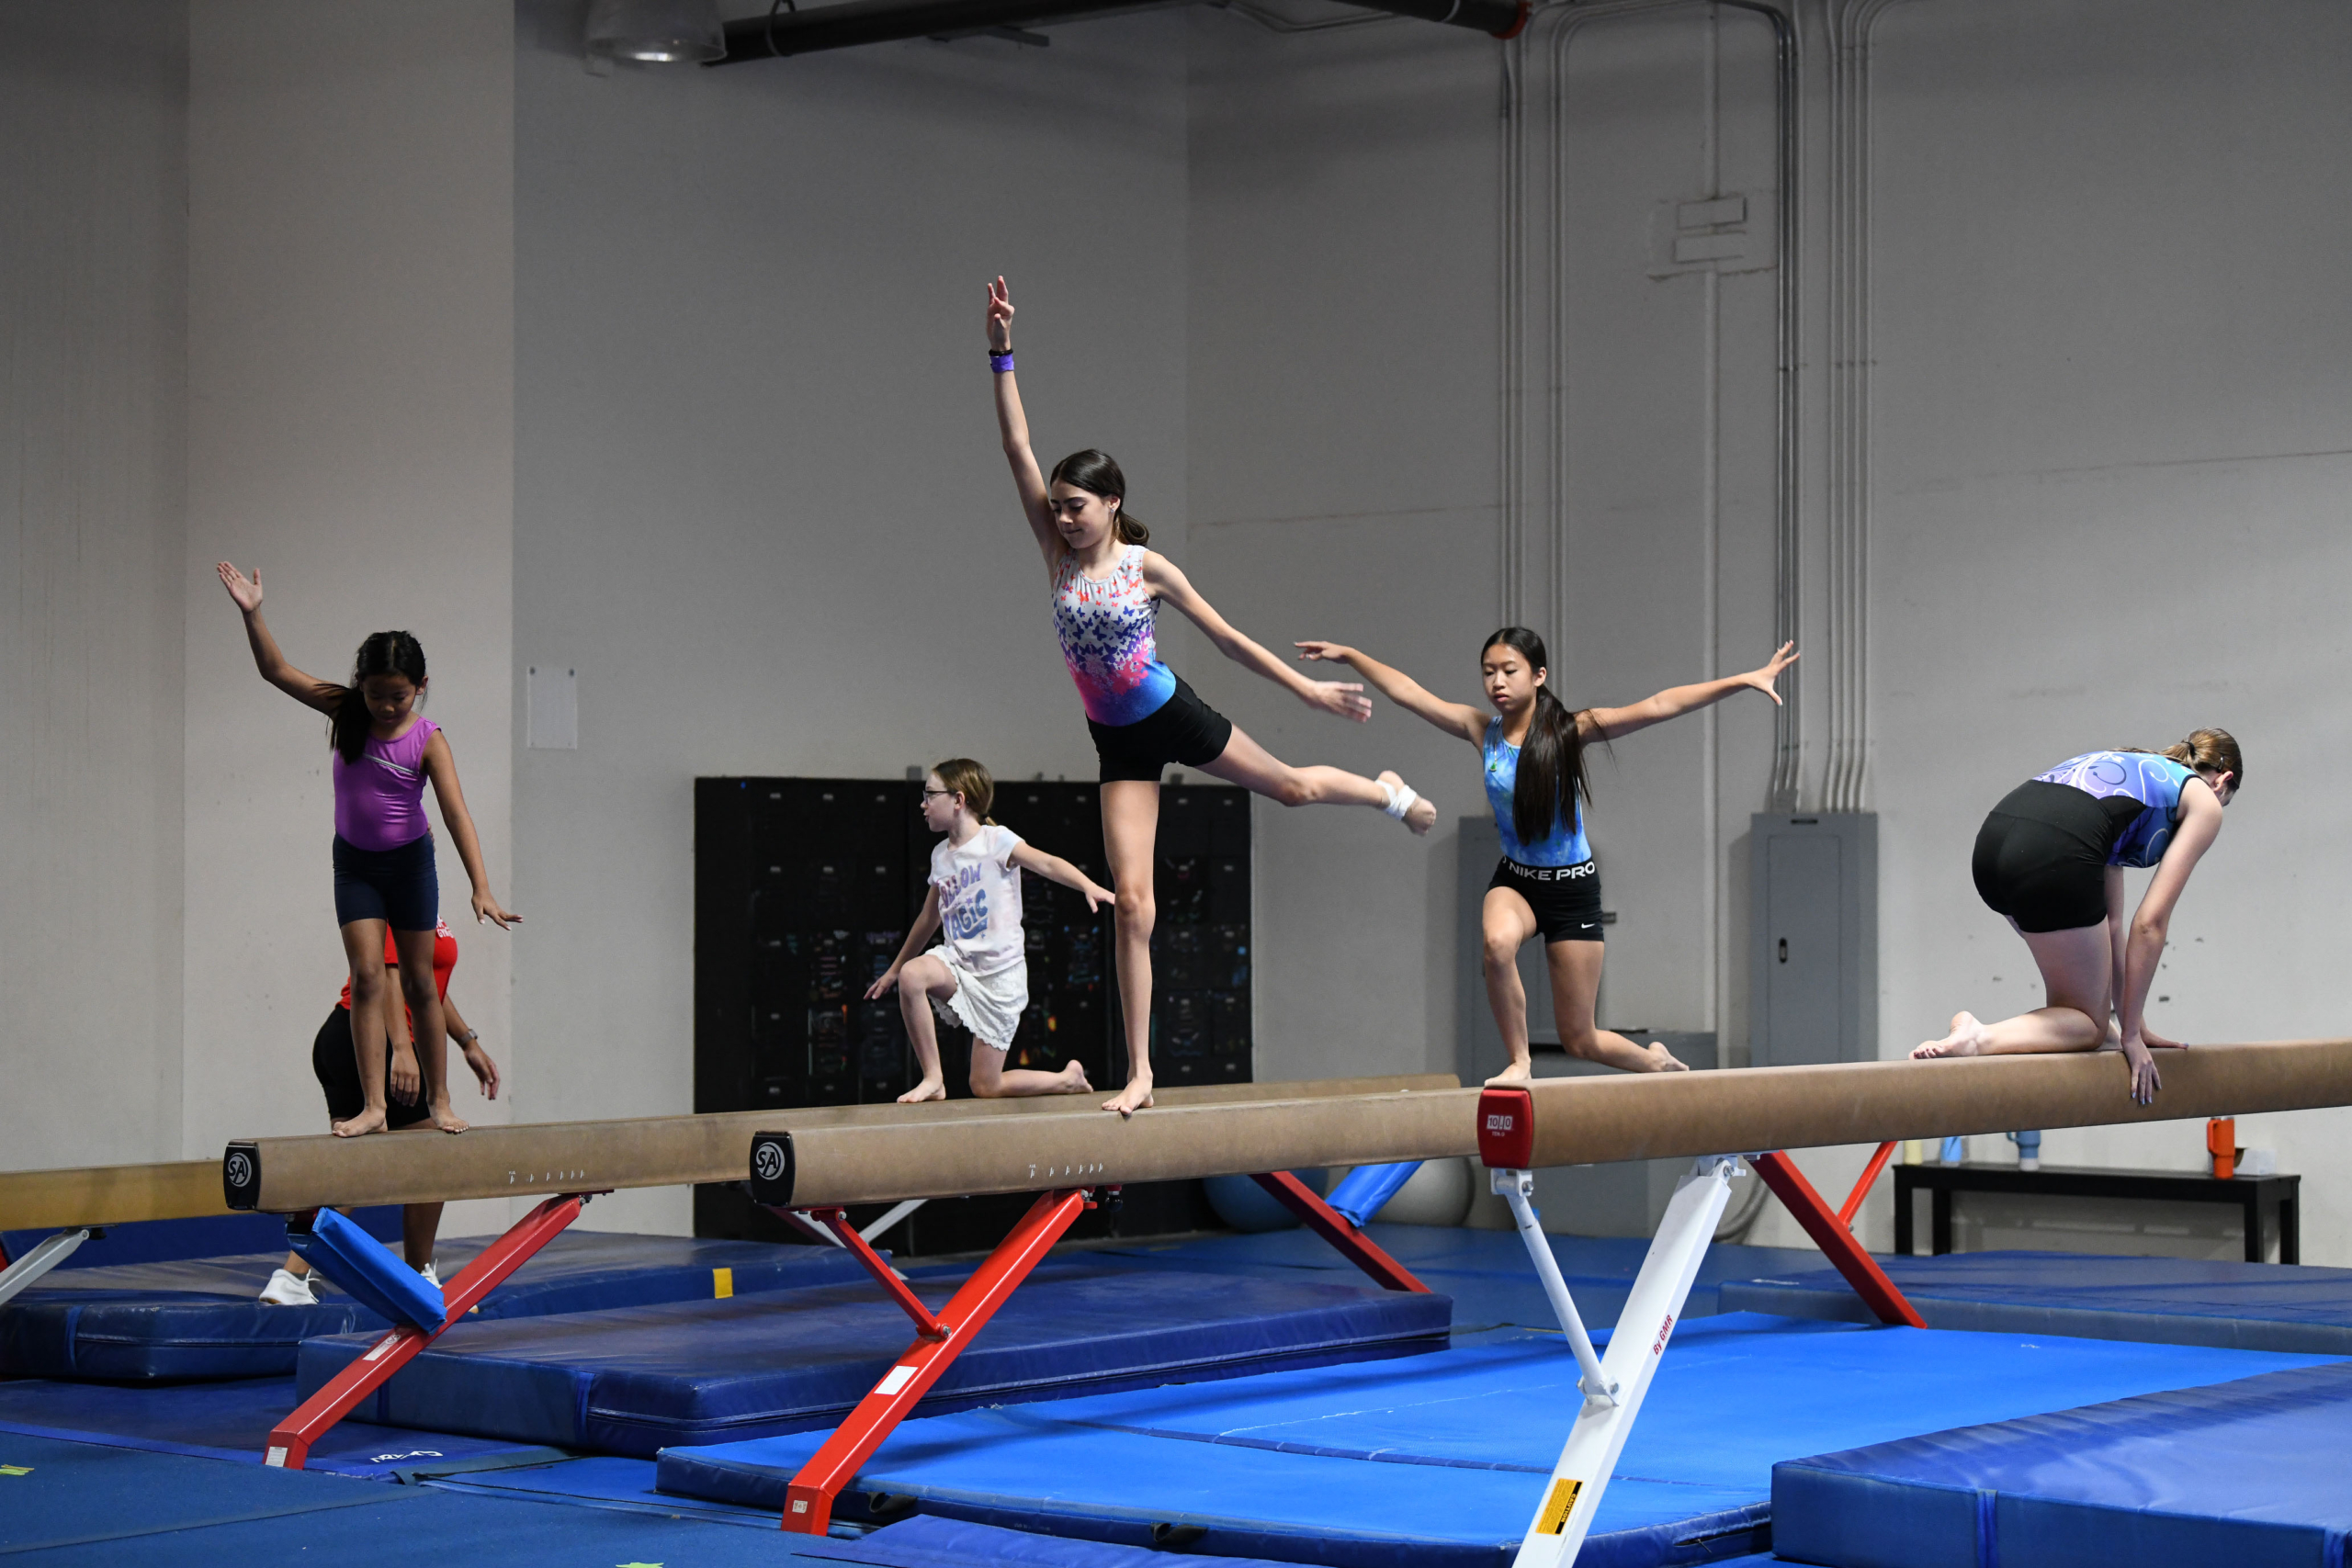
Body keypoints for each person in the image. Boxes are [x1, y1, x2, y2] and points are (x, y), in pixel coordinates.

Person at [986, 278, 1436, 1114]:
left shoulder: (1146, 568)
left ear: (1113, 503)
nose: (1065, 517)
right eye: (1058, 508)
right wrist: (1001, 352)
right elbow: (1017, 447)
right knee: (1134, 907)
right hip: (1117, 743)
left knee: (1293, 789)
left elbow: (1228, 638)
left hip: (1171, 713)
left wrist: (1307, 691)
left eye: (1078, 506)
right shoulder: (1054, 554)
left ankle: (1386, 792)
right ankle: (1142, 1071)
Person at [1295, 627, 1798, 1085]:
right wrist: (1353, 654)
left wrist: (1743, 680)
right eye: (1488, 672)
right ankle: (1519, 1061)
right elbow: (1408, 692)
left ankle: (1654, 1061)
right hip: (1516, 881)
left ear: (1538, 676)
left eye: (1509, 671)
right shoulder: (1481, 730)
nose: (1497, 682)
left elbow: (1661, 704)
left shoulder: (1571, 731)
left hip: (1572, 890)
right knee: (1497, 944)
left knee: (1581, 1039)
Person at [217, 561, 518, 1135]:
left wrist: (480, 886)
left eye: (399, 696)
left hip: (410, 866)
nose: (386, 706)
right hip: (355, 865)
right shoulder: (346, 710)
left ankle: (440, 1101)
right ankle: (375, 1107)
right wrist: (253, 615)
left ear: (420, 687)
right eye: (376, 695)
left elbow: (456, 813)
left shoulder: (428, 740)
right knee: (366, 977)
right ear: (360, 685)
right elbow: (275, 670)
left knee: (422, 982)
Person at [1913, 731, 2241, 1104]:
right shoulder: (2204, 799)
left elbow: (2111, 927)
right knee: (2086, 1025)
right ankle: (1977, 1037)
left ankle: (2088, 1028)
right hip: (2051, 853)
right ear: (2223, 781)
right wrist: (2131, 1037)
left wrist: (2132, 1025)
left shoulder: (2133, 768)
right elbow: (2149, 924)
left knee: (2084, 1023)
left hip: (1993, 846)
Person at [260, 921, 501, 1305]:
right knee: (433, 1154)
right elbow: (389, 977)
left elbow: (425, 985)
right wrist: (402, 1049)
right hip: (373, 1040)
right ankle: (416, 1279)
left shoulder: (428, 911)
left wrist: (467, 1041)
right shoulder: (396, 904)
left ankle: (292, 1276)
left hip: (350, 1038)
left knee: (359, 1169)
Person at [867, 760, 1116, 1103]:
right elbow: (928, 918)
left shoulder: (996, 841)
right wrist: (895, 969)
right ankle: (933, 1078)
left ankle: (1066, 1080)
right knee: (913, 975)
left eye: (930, 795)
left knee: (985, 1086)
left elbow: (1046, 862)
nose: (923, 804)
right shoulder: (941, 856)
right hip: (958, 966)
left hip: (999, 978)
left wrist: (1087, 885)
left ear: (958, 799)